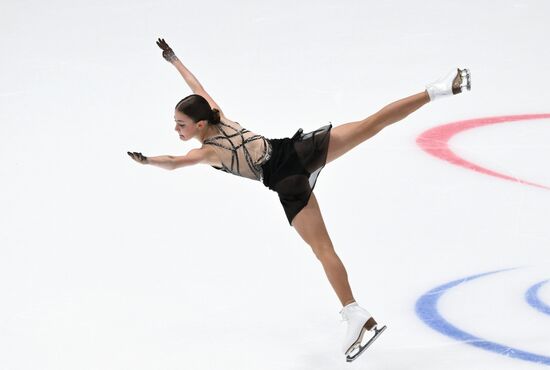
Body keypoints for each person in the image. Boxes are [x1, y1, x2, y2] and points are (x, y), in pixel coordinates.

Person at [128, 38, 472, 362]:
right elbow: (197, 87)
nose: (177, 130)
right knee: (372, 124)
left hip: (287, 181)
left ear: (200, 124)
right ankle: (440, 88)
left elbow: (176, 162)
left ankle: (354, 312)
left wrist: (148, 161)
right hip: (296, 150)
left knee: (324, 250)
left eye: (180, 124)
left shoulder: (207, 152)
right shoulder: (217, 113)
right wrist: (174, 60)